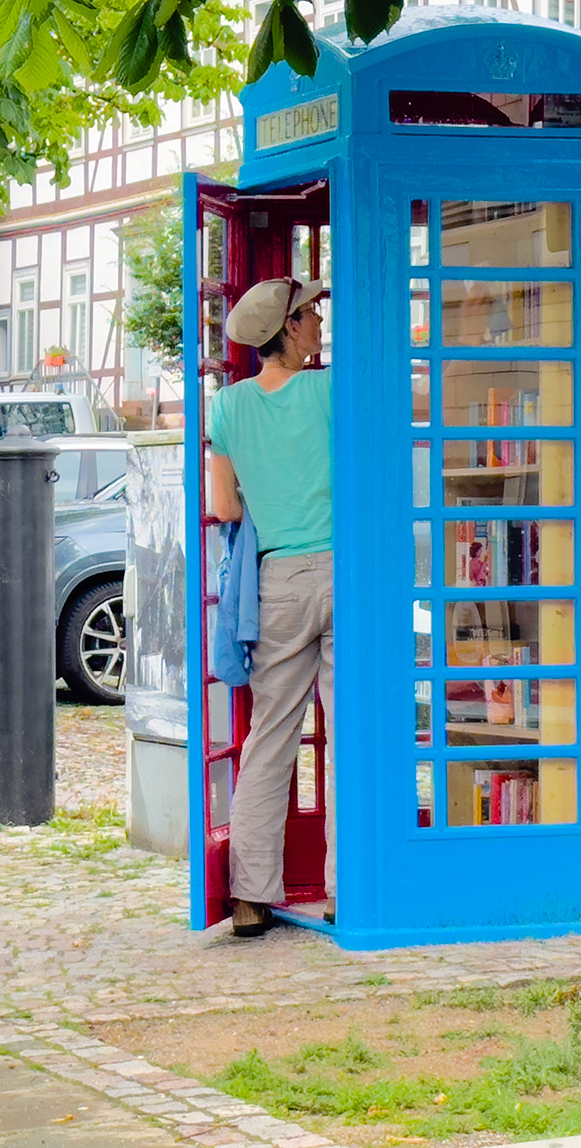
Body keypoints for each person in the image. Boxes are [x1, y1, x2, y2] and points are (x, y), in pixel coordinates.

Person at [208, 276, 334, 938]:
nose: (318, 323)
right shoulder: (330, 390)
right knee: (348, 736)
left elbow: (225, 508)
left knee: (270, 737)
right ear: (287, 329)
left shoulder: (226, 408)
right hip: (344, 572)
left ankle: (252, 896)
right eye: (310, 315)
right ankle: (347, 887)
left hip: (277, 579)